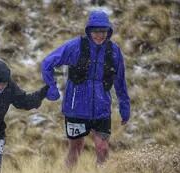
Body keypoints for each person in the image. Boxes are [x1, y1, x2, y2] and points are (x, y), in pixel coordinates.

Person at [41, 10, 130, 168]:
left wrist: (125, 106)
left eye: (103, 31)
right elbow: (47, 63)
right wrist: (51, 89)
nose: (99, 35)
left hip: (102, 110)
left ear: (108, 31)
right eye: (96, 31)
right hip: (76, 109)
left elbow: (120, 81)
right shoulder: (76, 46)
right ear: (89, 30)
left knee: (103, 150)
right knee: (75, 149)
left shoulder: (114, 51)